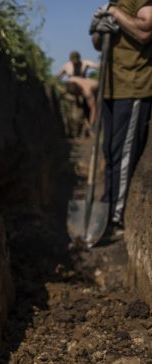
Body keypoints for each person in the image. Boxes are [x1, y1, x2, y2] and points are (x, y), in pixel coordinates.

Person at [90, 0, 152, 240]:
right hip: (109, 89)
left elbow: (145, 31)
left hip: (133, 88)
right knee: (110, 153)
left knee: (123, 156)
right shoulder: (111, 2)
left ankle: (115, 220)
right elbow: (99, 45)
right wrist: (98, 28)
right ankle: (106, 207)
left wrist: (114, 13)